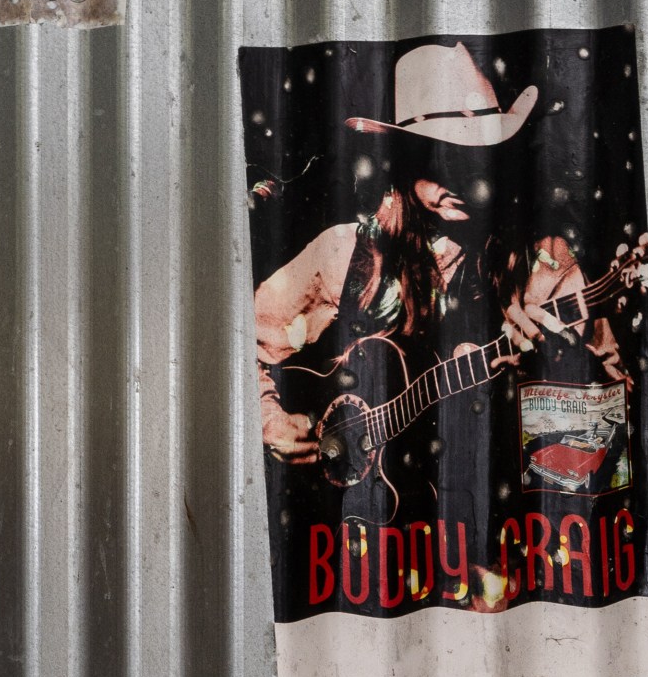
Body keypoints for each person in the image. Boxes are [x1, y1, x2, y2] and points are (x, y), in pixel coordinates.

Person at [251, 44, 627, 608]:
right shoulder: (344, 254)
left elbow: (609, 446)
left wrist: (566, 366)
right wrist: (273, 420)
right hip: (367, 556)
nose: (460, 176)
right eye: (438, 156)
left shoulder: (546, 266)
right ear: (401, 161)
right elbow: (238, 349)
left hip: (496, 557)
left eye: (478, 155)